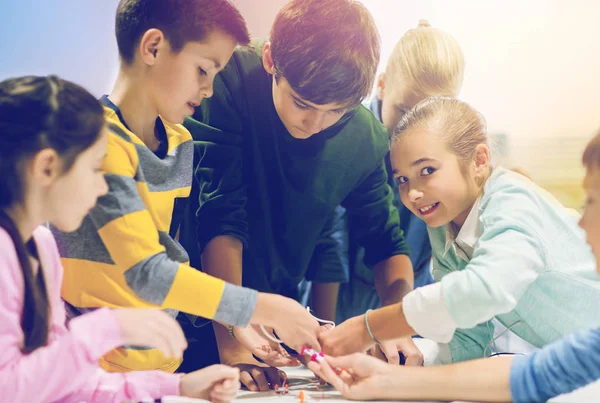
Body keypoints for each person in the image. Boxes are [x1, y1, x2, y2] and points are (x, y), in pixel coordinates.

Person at [52, 0, 321, 376]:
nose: (209, 90)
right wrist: (266, 308)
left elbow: (172, 261)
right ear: (153, 48)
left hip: (160, 370)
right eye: (202, 70)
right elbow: (148, 273)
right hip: (91, 372)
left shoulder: (179, 142)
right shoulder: (96, 143)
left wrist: (237, 324)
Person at [178, 0, 422, 388]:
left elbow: (387, 246)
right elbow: (220, 214)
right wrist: (234, 345)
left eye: (337, 111)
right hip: (189, 314)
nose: (315, 123)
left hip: (275, 324)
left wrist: (393, 322)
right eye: (302, 104)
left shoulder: (366, 138)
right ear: (272, 60)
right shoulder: (228, 77)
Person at [309, 127, 600, 403]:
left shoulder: (512, 198)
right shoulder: (445, 228)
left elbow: (484, 290)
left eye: (592, 201)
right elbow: (531, 373)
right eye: (401, 180)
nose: (580, 223)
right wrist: (388, 377)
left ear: (479, 160)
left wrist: (370, 326)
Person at [0, 75, 241, 403]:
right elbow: (9, 388)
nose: (102, 187)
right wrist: (106, 328)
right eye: (95, 169)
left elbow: (62, 382)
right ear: (46, 167)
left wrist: (176, 387)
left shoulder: (40, 246)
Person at [336, 20, 464, 326]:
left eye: (428, 114)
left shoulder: (453, 153)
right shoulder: (346, 136)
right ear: (381, 85)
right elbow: (328, 242)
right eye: (404, 111)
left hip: (411, 303)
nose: (412, 132)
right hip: (336, 298)